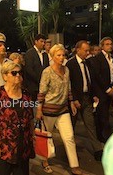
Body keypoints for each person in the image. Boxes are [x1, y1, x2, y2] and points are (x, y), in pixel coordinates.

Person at [36, 44, 86, 175]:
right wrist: (39, 109)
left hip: (63, 109)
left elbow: (68, 88)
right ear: (52, 56)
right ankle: (44, 160)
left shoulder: (66, 70)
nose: (62, 57)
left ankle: (74, 165)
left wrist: (71, 103)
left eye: (63, 55)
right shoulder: (47, 71)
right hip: (49, 110)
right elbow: (41, 92)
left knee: (69, 137)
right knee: (47, 138)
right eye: (58, 55)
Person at [0, 61, 34, 175]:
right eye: (14, 73)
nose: (18, 76)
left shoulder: (26, 94)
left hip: (22, 147)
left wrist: (33, 137)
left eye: (20, 73)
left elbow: (30, 118)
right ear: (5, 76)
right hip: (3, 148)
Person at [66, 40, 103, 161]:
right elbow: (69, 84)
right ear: (78, 50)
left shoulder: (89, 63)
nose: (88, 53)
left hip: (87, 98)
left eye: (88, 50)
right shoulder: (70, 64)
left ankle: (97, 150)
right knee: (71, 127)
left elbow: (92, 80)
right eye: (85, 50)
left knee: (90, 124)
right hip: (75, 100)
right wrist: (74, 99)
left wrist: (94, 95)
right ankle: (69, 152)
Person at [91, 37, 113, 143]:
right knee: (102, 116)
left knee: (106, 114)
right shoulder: (98, 58)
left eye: (111, 44)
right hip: (101, 91)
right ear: (102, 46)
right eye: (107, 44)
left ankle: (104, 136)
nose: (109, 46)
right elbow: (97, 76)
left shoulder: (112, 58)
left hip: (111, 89)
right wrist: (107, 89)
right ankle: (103, 138)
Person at [24, 34, 49, 104]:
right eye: (41, 41)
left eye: (44, 42)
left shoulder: (45, 55)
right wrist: (40, 80)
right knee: (33, 107)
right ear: (36, 42)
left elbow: (47, 69)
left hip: (43, 87)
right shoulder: (29, 53)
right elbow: (29, 70)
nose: (43, 44)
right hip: (33, 86)